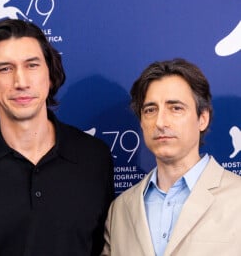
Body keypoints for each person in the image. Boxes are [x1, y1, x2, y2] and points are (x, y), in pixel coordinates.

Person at [0, 19, 114, 256]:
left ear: (50, 75)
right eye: (5, 69)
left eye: (32, 65)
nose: (20, 82)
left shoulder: (94, 157)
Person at [101, 58, 241, 256]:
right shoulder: (121, 210)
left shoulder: (237, 197)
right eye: (150, 110)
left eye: (175, 108)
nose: (160, 122)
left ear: (203, 118)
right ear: (141, 122)